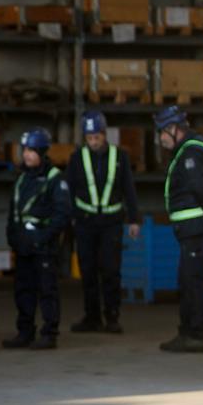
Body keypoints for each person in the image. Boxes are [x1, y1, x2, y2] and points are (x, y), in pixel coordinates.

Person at [155, 105, 203, 353]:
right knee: (187, 280)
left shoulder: (191, 154)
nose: (160, 138)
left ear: (174, 129)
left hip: (198, 228)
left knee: (194, 281)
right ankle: (187, 332)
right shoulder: (188, 151)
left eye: (162, 132)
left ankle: (198, 335)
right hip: (192, 229)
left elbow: (201, 190)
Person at [64, 110, 141, 334]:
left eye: (97, 137)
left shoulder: (120, 157)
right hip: (85, 223)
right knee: (87, 272)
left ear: (104, 135)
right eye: (89, 138)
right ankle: (92, 317)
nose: (94, 142)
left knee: (111, 271)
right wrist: (68, 219)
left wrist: (134, 219)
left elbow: (129, 189)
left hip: (111, 224)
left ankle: (112, 317)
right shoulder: (77, 158)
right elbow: (68, 190)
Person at [3, 129, 72, 350]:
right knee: (23, 290)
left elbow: (62, 214)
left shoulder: (54, 179)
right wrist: (13, 238)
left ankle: (49, 333)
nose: (27, 155)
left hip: (44, 246)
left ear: (42, 152)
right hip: (23, 245)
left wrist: (44, 237)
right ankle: (25, 332)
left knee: (47, 289)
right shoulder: (22, 179)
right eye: (25, 150)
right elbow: (14, 212)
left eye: (32, 151)